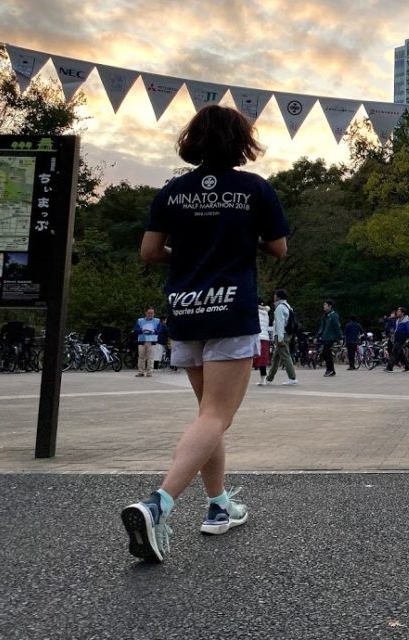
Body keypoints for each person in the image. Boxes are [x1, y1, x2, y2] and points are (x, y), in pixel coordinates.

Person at [120, 104, 289, 563]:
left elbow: (150, 251)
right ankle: (159, 504)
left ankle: (218, 506)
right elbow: (278, 247)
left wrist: (190, 250)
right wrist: (236, 241)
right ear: (241, 142)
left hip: (186, 311)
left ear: (192, 139)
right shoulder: (254, 189)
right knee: (217, 415)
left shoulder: (172, 192)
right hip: (231, 309)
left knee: (207, 414)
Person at [266, 289, 299, 386]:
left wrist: (279, 338)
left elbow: (280, 323)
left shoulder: (279, 307)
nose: (274, 297)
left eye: (275, 295)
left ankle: (292, 377)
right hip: (287, 334)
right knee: (276, 357)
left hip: (281, 334)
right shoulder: (288, 307)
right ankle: (269, 378)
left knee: (285, 356)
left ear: (278, 297)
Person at [133, 307, 166, 378]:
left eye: (152, 313)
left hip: (152, 341)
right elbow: (135, 329)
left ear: (154, 313)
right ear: (146, 313)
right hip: (142, 340)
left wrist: (154, 331)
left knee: (150, 357)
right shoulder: (140, 320)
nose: (151, 314)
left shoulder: (157, 321)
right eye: (149, 313)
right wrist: (141, 330)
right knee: (141, 357)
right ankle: (141, 372)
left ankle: (149, 372)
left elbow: (160, 330)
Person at [317, 299, 342, 377]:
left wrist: (339, 338)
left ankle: (330, 370)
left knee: (326, 352)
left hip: (331, 337)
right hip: (325, 337)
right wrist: (318, 335)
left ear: (330, 306)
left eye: (325, 305)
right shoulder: (325, 316)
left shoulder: (333, 316)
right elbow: (322, 327)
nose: (324, 306)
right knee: (325, 353)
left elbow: (337, 327)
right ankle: (330, 369)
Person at [386, 307, 409, 372]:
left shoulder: (406, 322)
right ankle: (408, 366)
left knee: (394, 352)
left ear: (402, 313)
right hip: (396, 338)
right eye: (397, 311)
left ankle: (389, 367)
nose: (397, 313)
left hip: (401, 339)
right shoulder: (398, 320)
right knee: (400, 353)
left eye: (399, 312)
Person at [253, 298, 271, 385]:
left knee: (250, 358)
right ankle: (263, 380)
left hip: (256, 337)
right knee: (262, 360)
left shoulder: (255, 312)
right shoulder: (266, 313)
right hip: (265, 337)